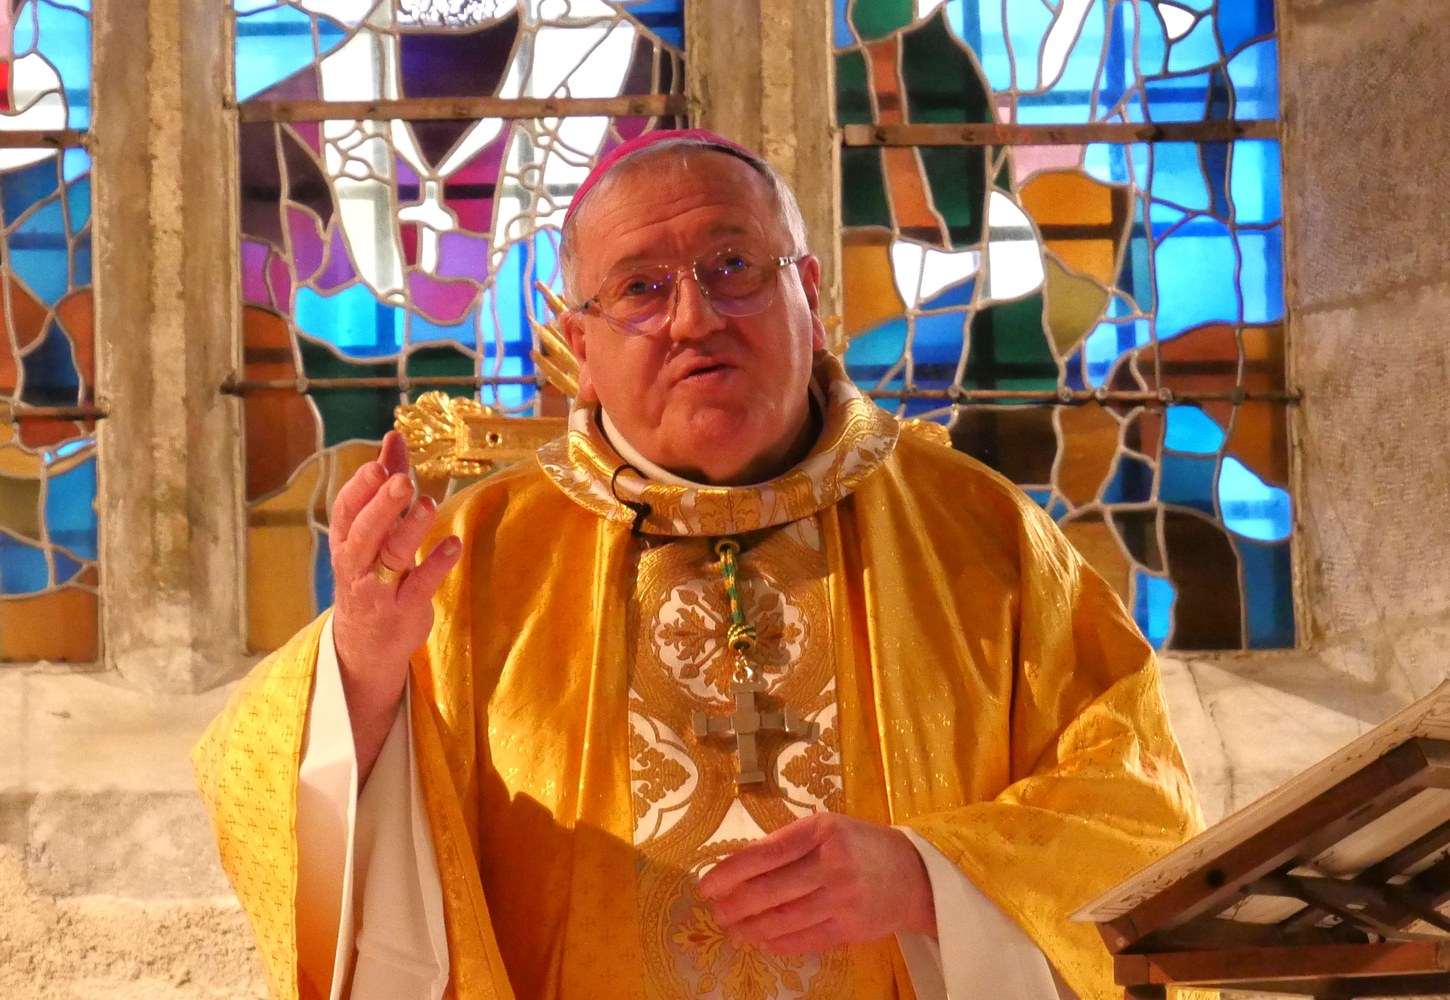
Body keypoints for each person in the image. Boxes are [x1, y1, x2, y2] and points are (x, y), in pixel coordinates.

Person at [194, 129, 1203, 1000]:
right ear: (580, 345)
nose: (693, 318)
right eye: (640, 287)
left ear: (811, 293)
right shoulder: (478, 555)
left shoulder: (978, 533)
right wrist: (362, 670)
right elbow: (292, 820)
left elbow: (1137, 810)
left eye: (732, 266)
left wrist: (930, 877)